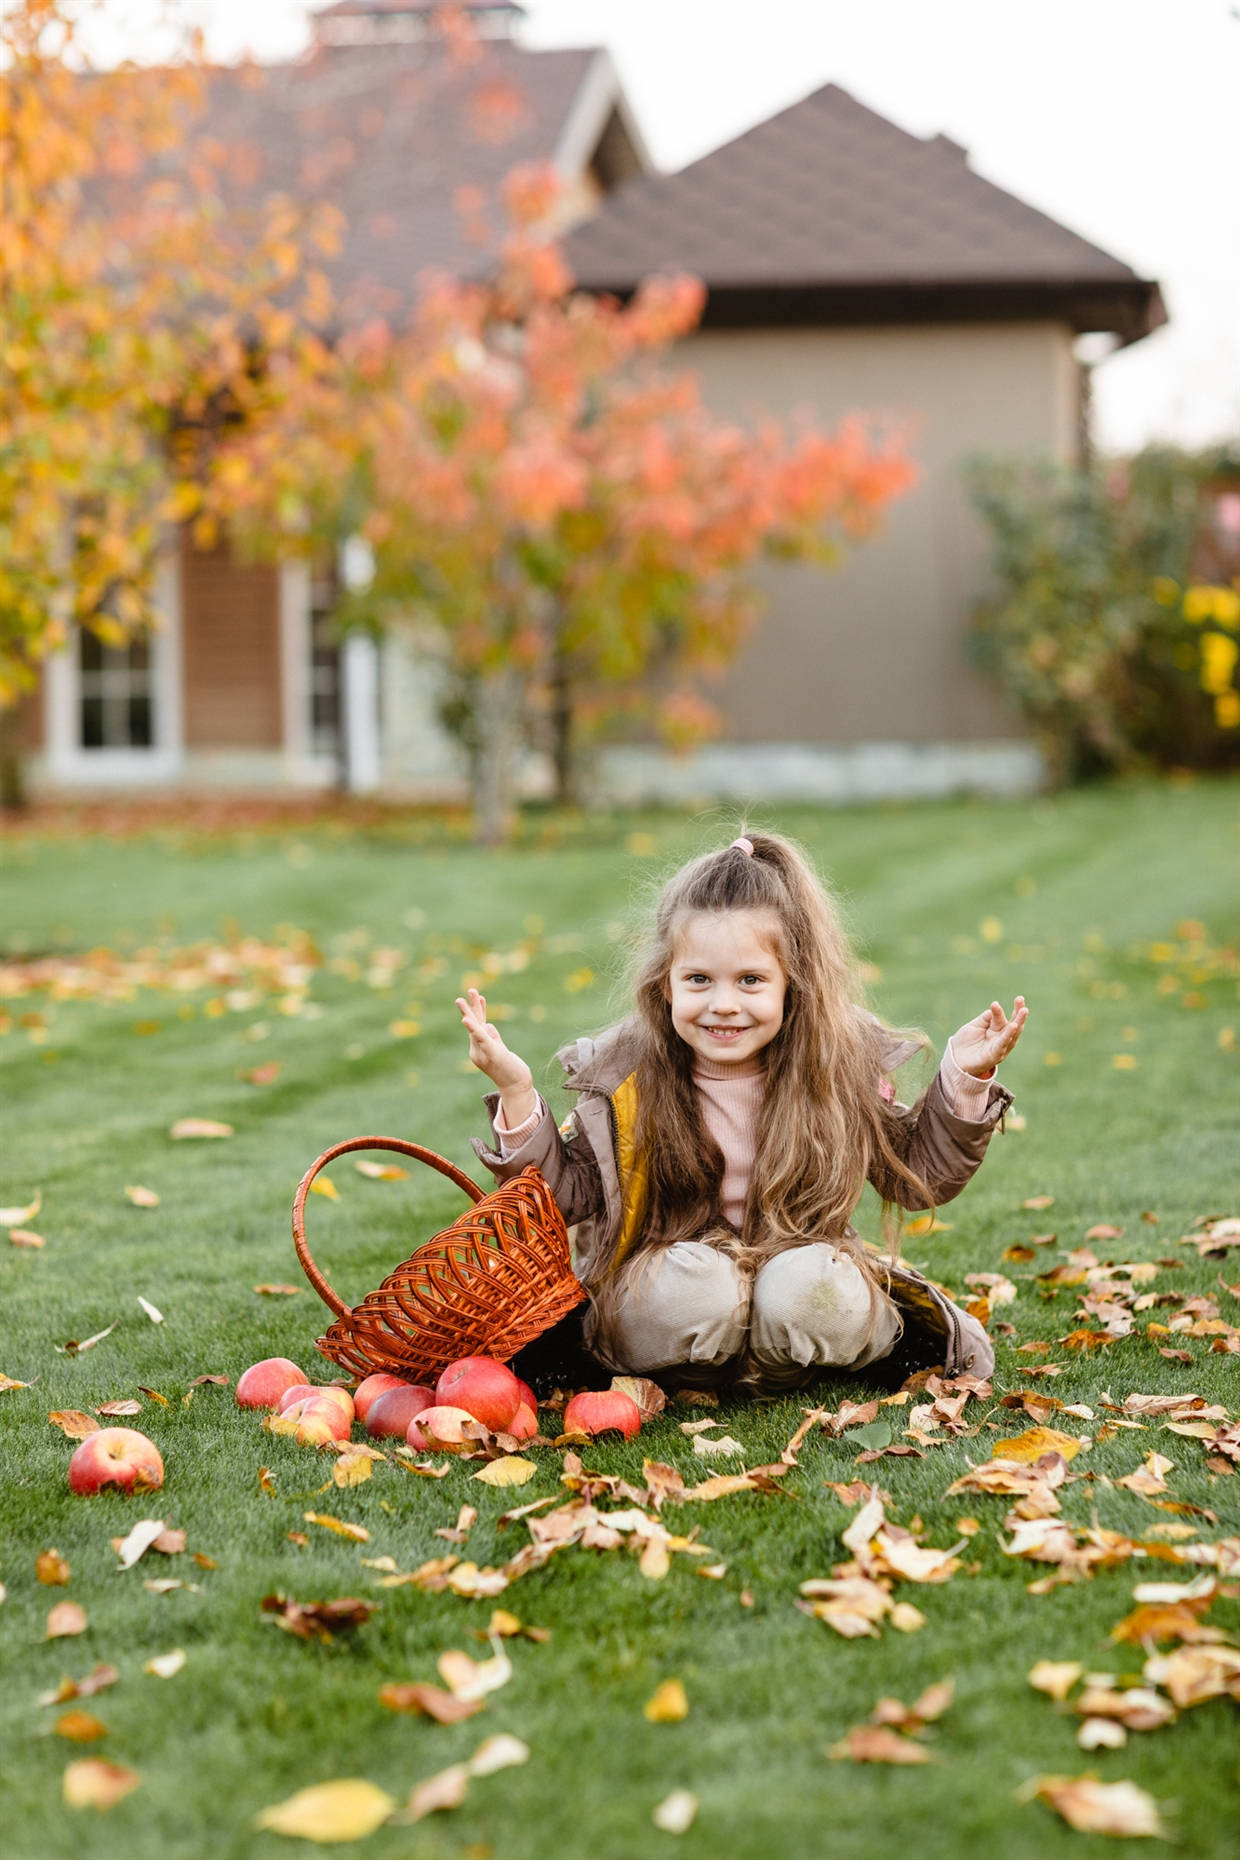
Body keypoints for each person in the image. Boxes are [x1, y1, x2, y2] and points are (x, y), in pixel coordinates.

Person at [457, 831, 1026, 1393]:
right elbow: (563, 1197)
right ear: (666, 985)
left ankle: (821, 1350)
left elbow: (919, 1173)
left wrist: (964, 1075)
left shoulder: (835, 1068)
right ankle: (702, 1357)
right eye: (699, 980)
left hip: (795, 1276)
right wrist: (516, 1091)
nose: (723, 1004)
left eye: (751, 981)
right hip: (670, 1302)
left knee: (807, 1286)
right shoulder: (628, 1077)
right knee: (695, 1286)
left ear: (791, 985)